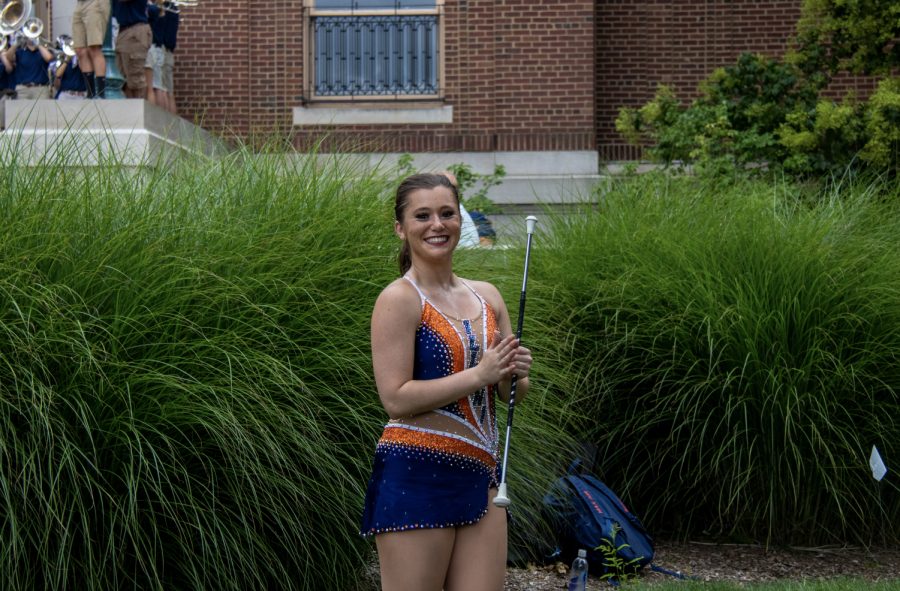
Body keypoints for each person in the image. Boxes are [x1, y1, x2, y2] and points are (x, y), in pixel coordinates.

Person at [360, 173, 533, 591]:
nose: (436, 224)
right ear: (401, 228)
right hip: (417, 473)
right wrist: (480, 373)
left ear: (461, 220)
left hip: (483, 477)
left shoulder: (488, 296)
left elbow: (510, 395)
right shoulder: (399, 299)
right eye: (422, 215)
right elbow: (396, 399)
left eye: (446, 213)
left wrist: (514, 374)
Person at [113, 0, 152, 99]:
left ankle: (141, 112)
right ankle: (132, 112)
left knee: (136, 80)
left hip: (134, 31)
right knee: (124, 81)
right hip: (123, 31)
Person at [72, 0, 110, 98]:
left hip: (94, 2)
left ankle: (101, 95)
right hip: (79, 3)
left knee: (94, 48)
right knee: (80, 50)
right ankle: (90, 94)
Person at [3, 35, 53, 100]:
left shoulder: (43, 51)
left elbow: (49, 58)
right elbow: (9, 58)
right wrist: (15, 44)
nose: (30, 37)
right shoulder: (20, 51)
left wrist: (38, 45)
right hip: (23, 88)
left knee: (41, 110)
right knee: (21, 110)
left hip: (40, 88)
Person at [144, 1, 166, 107]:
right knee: (158, 87)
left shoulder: (152, 10)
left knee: (153, 87)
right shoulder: (160, 11)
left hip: (152, 47)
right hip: (157, 48)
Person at [161, 0, 178, 115]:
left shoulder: (163, 8)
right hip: (169, 52)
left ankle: (164, 123)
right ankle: (173, 127)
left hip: (162, 50)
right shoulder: (174, 9)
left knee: (162, 90)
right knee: (169, 91)